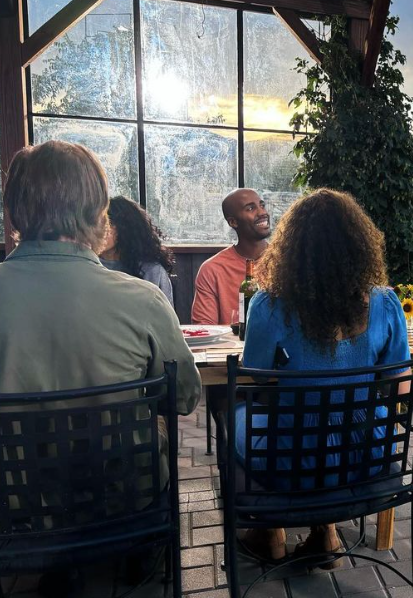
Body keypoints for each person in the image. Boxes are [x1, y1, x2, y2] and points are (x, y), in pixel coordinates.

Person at [0, 140, 202, 595]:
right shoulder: (140, 298)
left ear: (13, 214)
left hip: (16, 504)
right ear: (99, 214)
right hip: (121, 494)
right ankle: (137, 548)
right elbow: (185, 397)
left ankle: (60, 561)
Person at [235, 188, 410, 564]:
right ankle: (325, 532)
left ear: (292, 247)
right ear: (360, 245)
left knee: (235, 418)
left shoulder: (268, 305)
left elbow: (256, 381)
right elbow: (402, 385)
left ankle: (269, 531)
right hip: (366, 457)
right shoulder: (386, 303)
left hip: (293, 460)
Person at [191, 188, 271, 325]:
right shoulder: (212, 269)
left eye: (262, 205)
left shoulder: (287, 262)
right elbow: (205, 329)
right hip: (230, 346)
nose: (262, 212)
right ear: (233, 222)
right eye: (251, 208)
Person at [100, 195, 175, 304]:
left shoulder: (151, 271)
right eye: (97, 223)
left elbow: (166, 317)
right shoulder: (86, 264)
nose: (102, 229)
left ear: (126, 228)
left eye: (109, 223)